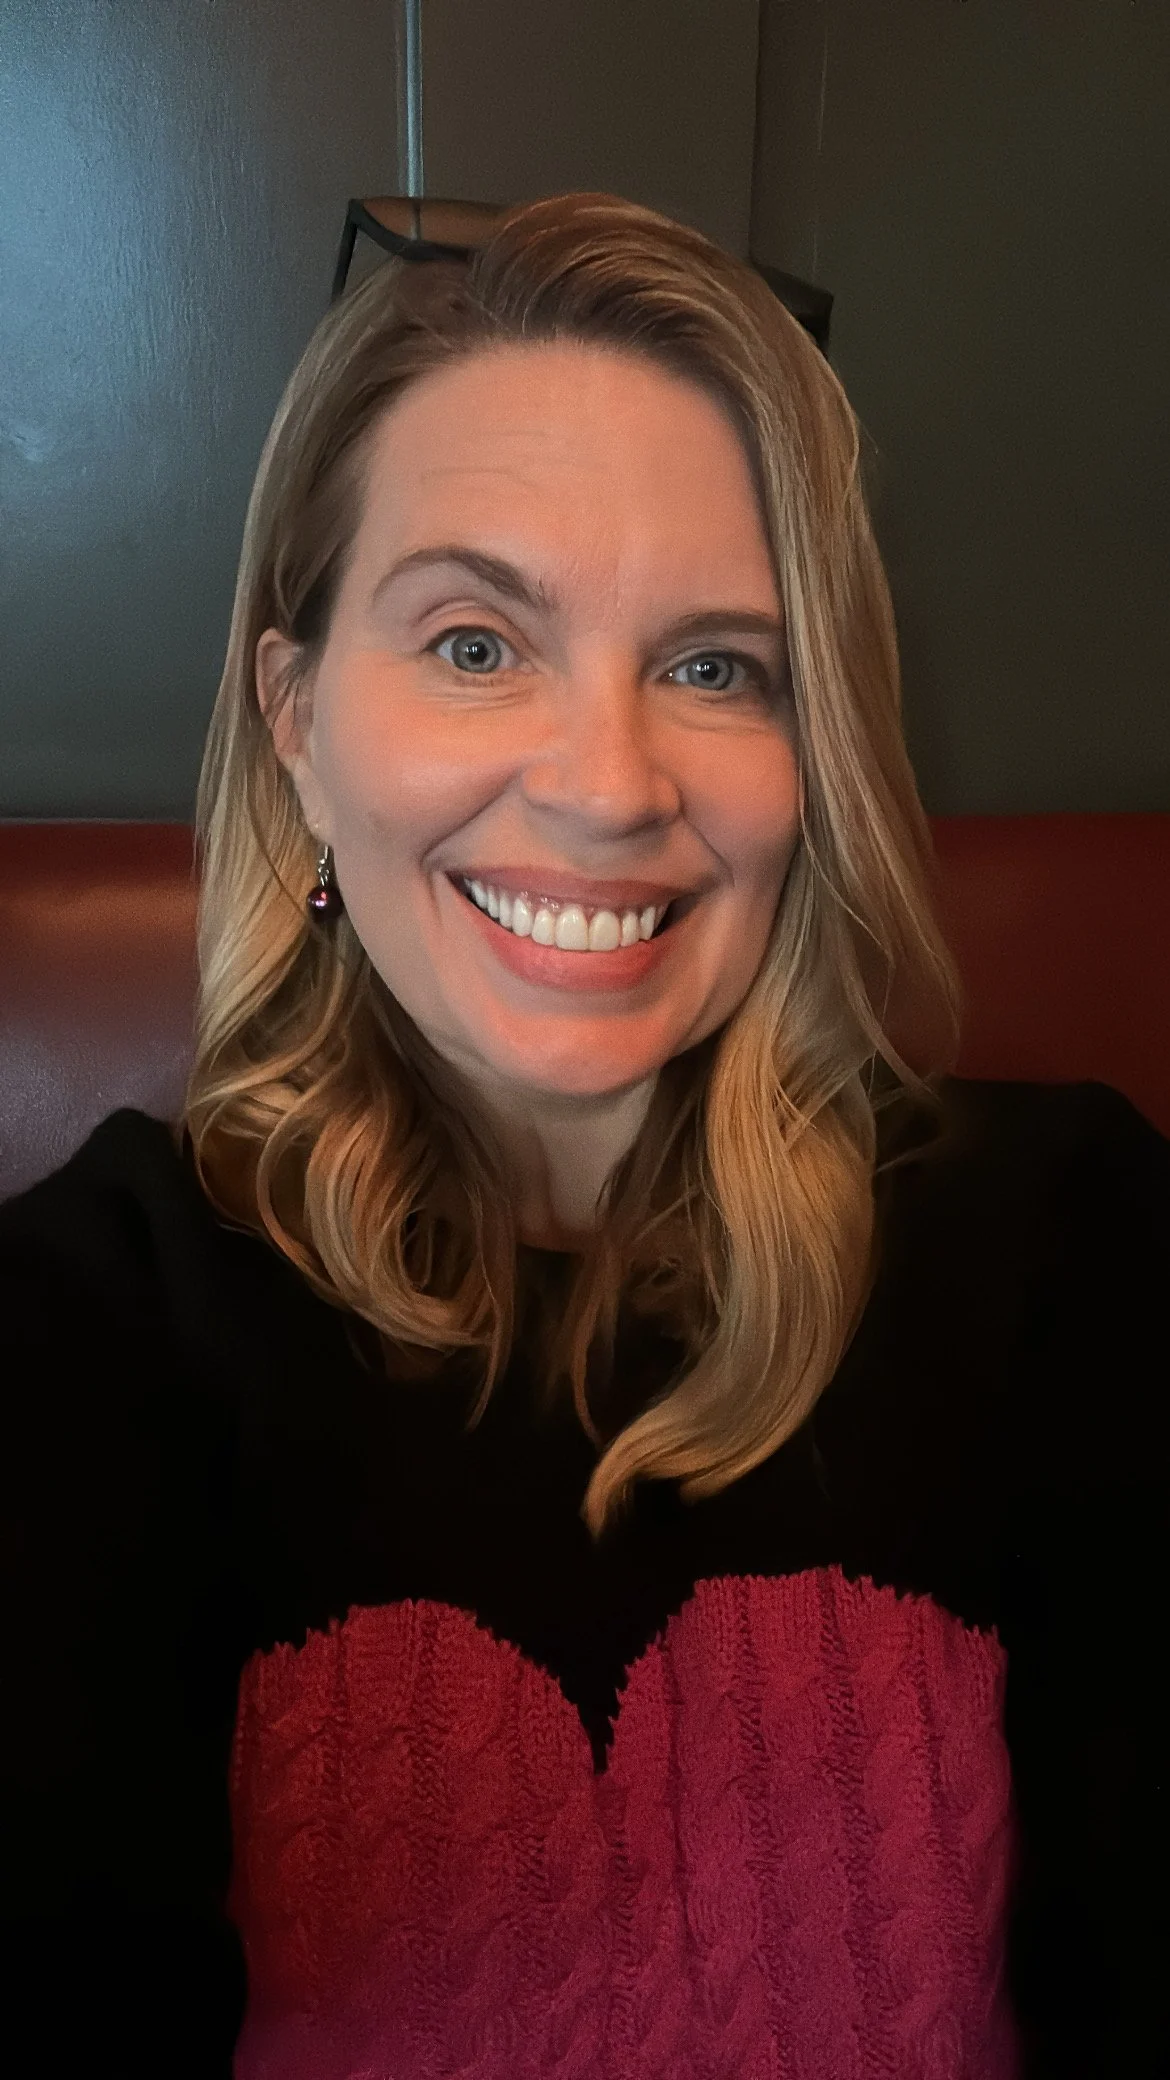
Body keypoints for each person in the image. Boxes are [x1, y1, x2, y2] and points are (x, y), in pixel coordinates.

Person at [2, 193, 1165, 2080]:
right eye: (474, 643)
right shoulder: (96, 1329)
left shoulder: (1077, 1253)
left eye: (718, 666)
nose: (609, 787)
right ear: (293, 714)